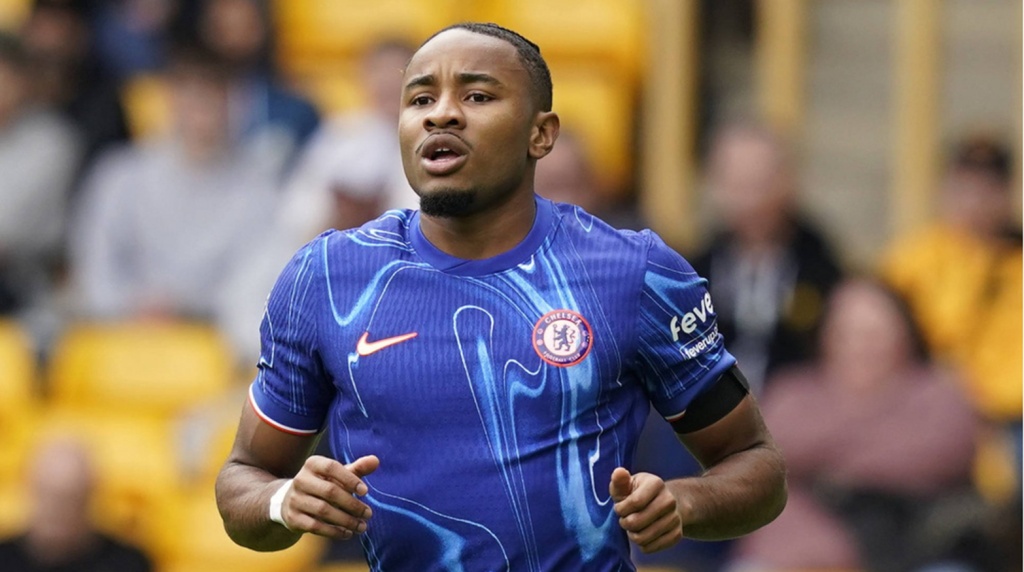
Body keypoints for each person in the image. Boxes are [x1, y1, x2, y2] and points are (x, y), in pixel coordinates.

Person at [216, 23, 786, 571]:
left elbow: (756, 465)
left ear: (541, 134)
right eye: (420, 99)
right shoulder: (326, 277)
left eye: (478, 95)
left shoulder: (635, 274)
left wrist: (684, 503)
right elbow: (243, 478)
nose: (441, 113)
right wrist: (284, 501)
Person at [730, 279, 977, 571]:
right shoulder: (792, 392)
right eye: (847, 333)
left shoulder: (938, 392)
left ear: (906, 336)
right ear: (825, 336)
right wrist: (878, 432)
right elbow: (760, 457)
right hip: (806, 552)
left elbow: (940, 455)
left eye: (874, 334)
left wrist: (820, 458)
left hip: (918, 548)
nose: (861, 346)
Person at [69, 43, 281, 321]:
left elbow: (257, 277)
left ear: (235, 104)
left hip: (216, 332)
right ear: (172, 100)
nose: (203, 109)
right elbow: (94, 265)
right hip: (119, 328)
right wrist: (132, 304)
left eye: (214, 97)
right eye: (192, 96)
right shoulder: (119, 175)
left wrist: (186, 307)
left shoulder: (259, 188)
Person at [880, 137, 1021, 468]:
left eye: (987, 190)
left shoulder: (1016, 261)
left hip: (1007, 417)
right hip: (920, 403)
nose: (975, 203)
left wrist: (982, 398)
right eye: (965, 189)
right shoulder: (913, 260)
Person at [692, 122, 843, 394]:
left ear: (789, 183)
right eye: (737, 186)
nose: (751, 202)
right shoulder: (693, 272)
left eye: (761, 184)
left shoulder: (822, 268)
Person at [0, 32, 81, 316]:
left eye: (4, 76)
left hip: (25, 284)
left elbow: (8, 227)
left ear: (23, 81)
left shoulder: (52, 142)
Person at [0, 438, 152, 572]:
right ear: (27, 488)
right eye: (50, 494)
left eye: (70, 499)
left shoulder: (127, 563)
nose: (58, 510)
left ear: (91, 496)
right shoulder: (4, 559)